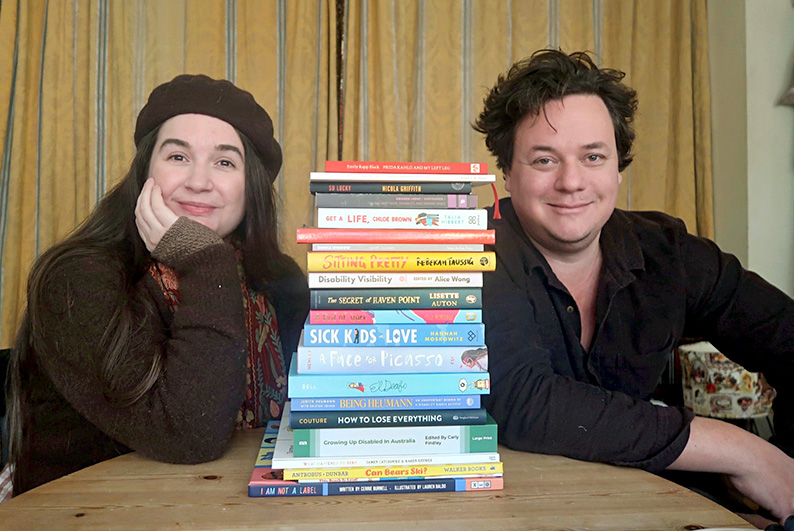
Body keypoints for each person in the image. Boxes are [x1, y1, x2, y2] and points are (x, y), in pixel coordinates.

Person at [474, 49, 794, 522]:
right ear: (507, 171)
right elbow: (526, 402)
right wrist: (741, 450)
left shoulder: (668, 250)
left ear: (617, 169)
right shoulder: (466, 252)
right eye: (545, 160)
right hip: (503, 513)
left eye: (593, 157)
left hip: (645, 510)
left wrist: (781, 464)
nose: (572, 182)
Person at [2, 74, 309, 498]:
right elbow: (189, 435)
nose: (199, 181)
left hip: (236, 509)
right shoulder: (77, 278)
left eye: (224, 162)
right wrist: (203, 262)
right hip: (92, 513)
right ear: (146, 169)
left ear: (250, 185)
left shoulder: (281, 283)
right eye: (178, 156)